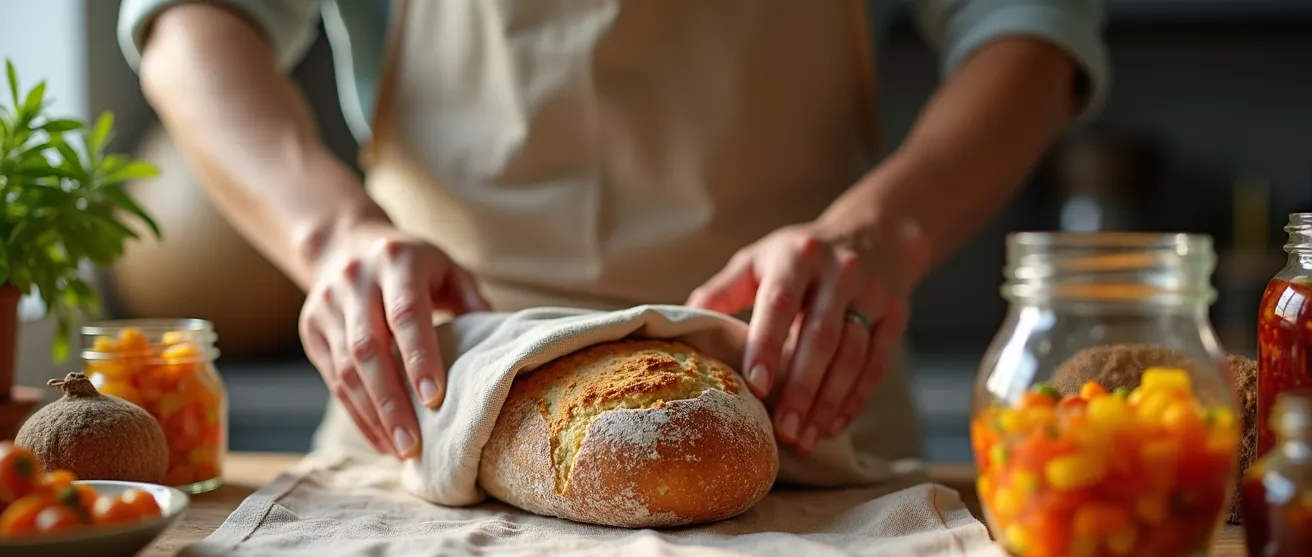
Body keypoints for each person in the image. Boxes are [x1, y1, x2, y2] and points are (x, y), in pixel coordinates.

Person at [117, 0, 1109, 480]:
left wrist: (880, 231)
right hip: (428, 414)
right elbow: (188, 22)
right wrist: (332, 237)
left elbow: (1032, 24)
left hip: (803, 413)